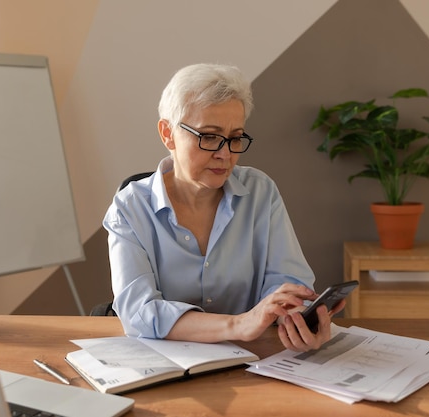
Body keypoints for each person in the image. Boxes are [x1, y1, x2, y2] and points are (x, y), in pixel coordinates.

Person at [103, 63, 343, 352]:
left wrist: (299, 318)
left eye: (235, 138)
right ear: (167, 134)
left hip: (254, 359)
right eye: (209, 137)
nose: (225, 154)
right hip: (165, 366)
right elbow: (139, 312)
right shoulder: (129, 208)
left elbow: (288, 282)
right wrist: (239, 324)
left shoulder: (260, 192)